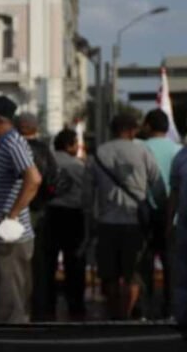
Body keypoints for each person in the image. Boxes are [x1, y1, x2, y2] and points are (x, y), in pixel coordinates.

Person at [83, 113, 167, 320]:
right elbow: (158, 187)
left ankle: (114, 316)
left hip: (107, 223)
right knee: (134, 276)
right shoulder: (142, 151)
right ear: (132, 130)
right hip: (135, 223)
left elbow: (87, 195)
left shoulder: (99, 153)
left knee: (109, 275)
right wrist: (158, 211)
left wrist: (90, 219)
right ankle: (128, 314)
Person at [0, 96, 42, 323]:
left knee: (10, 302)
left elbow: (33, 179)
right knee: (1, 299)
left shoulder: (13, 142)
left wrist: (12, 216)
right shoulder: (4, 143)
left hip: (8, 237)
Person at [140, 108, 182, 318]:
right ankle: (169, 305)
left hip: (145, 211)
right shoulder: (178, 150)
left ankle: (146, 307)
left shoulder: (140, 147)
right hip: (172, 214)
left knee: (145, 261)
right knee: (170, 262)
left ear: (148, 125)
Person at [16, 112, 59, 319]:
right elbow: (54, 180)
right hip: (40, 212)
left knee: (17, 262)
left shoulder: (14, 148)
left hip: (17, 211)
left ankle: (22, 308)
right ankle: (42, 307)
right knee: (40, 262)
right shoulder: (44, 150)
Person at [45, 128, 87, 317]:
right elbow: (87, 193)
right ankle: (75, 305)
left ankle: (47, 305)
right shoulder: (78, 166)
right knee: (74, 262)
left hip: (50, 214)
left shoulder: (47, 162)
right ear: (70, 145)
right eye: (76, 142)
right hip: (73, 215)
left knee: (48, 262)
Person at [171, 141, 187, 325]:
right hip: (184, 224)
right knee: (182, 273)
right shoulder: (181, 156)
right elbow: (174, 193)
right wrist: (170, 223)